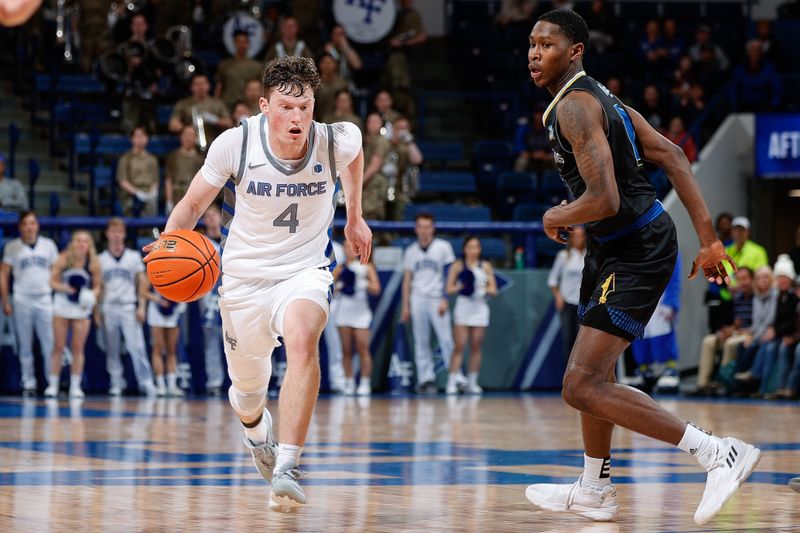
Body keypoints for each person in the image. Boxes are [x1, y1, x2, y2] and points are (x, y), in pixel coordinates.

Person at [523, 10, 760, 526]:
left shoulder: (577, 109)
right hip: (616, 247)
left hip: (635, 247)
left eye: (547, 44)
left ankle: (717, 453)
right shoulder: (602, 98)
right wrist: (710, 241)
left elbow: (605, 199)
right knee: (596, 373)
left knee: (579, 385)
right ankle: (594, 489)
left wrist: (556, 213)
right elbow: (673, 155)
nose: (535, 53)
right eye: (532, 44)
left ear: (576, 51)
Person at [145, 56, 371, 509]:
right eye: (287, 107)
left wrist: (354, 215)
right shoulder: (235, 143)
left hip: (304, 269)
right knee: (248, 395)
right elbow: (191, 206)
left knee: (304, 340)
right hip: (243, 280)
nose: (297, 118)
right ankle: (256, 432)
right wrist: (169, 244)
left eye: (305, 107)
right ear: (265, 105)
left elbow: (356, 155)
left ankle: (288, 463)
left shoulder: (336, 140)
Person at [0, 211, 58, 395]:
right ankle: (28, 383)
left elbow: (56, 272)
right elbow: (3, 274)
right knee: (24, 344)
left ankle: (52, 382)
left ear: (37, 225)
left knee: (49, 342)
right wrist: (5, 300)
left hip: (44, 298)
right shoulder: (12, 247)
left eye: (32, 223)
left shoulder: (48, 245)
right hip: (21, 298)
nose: (29, 227)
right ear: (20, 227)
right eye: (25, 223)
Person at [98, 217, 156, 397]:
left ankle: (146, 382)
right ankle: (116, 381)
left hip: (128, 306)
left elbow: (142, 283)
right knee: (112, 347)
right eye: (113, 232)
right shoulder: (100, 259)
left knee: (136, 346)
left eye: (119, 232)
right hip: (108, 307)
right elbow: (98, 287)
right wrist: (97, 310)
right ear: (107, 234)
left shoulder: (132, 256)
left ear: (123, 234)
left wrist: (142, 306)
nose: (116, 235)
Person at [401, 213, 456, 394]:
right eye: (420, 226)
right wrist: (406, 306)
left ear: (433, 228)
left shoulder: (443, 247)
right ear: (416, 229)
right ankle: (426, 379)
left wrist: (445, 298)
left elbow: (450, 273)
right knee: (421, 340)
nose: (424, 230)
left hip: (436, 298)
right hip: (418, 298)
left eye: (427, 226)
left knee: (446, 339)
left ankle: (455, 378)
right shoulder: (410, 251)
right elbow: (407, 280)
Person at [44, 231, 101, 399]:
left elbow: (98, 287)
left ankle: (75, 386)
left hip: (81, 308)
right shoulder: (63, 258)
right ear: (73, 243)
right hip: (62, 305)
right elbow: (52, 282)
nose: (81, 244)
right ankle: (53, 385)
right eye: (78, 241)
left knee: (78, 348)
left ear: (89, 245)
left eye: (85, 241)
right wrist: (66, 289)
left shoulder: (93, 263)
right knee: (58, 346)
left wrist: (90, 296)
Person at [689, 267, 755, 397]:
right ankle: (703, 384)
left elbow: (757, 325)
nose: (743, 283)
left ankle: (722, 383)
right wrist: (724, 331)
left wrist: (735, 331)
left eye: (745, 279)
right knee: (709, 341)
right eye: (739, 279)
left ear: (752, 280)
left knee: (730, 343)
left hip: (748, 335)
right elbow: (725, 321)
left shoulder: (757, 298)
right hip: (734, 334)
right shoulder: (734, 299)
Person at [445, 236, 497, 395]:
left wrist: (482, 289)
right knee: (459, 345)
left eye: (476, 247)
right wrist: (462, 286)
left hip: (479, 309)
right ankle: (452, 381)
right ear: (464, 249)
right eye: (470, 247)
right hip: (463, 307)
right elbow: (448, 289)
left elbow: (493, 290)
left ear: (479, 249)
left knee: (476, 345)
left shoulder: (485, 266)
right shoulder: (457, 266)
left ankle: (472, 382)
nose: (473, 250)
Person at [334, 239, 381, 396]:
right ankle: (349, 381)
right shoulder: (340, 268)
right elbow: (330, 288)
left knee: (363, 348)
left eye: (352, 247)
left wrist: (364, 283)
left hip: (361, 313)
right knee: (346, 350)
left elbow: (376, 289)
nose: (349, 250)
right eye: (346, 247)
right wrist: (339, 285)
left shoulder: (367, 267)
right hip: (344, 312)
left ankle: (365, 382)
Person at [630, 255, 682, 392]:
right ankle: (644, 370)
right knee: (640, 334)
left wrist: (670, 301)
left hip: (661, 298)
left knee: (664, 332)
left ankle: (670, 369)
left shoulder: (668, 246)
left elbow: (674, 276)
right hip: (639, 298)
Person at [548, 226, 586, 362]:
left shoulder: (588, 255)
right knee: (567, 337)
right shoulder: (563, 256)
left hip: (584, 303)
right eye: (575, 236)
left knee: (582, 340)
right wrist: (558, 296)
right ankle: (568, 375)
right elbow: (552, 280)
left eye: (581, 236)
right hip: (567, 301)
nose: (578, 239)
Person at [142, 279, 186, 397]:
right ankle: (160, 385)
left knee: (172, 348)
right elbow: (144, 291)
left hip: (174, 308)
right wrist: (159, 299)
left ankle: (171, 385)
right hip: (157, 309)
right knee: (158, 348)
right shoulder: (153, 269)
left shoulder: (180, 271)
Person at [169, 74, 233, 148]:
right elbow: (173, 125)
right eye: (197, 84)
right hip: (192, 145)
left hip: (214, 144)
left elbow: (229, 123)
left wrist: (215, 120)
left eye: (203, 84)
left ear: (208, 85)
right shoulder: (183, 104)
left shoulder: (218, 104)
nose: (200, 87)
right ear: (191, 87)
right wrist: (188, 128)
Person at [200, 205, 224, 396]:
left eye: (213, 215)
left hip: (233, 292)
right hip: (209, 295)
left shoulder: (233, 237)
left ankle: (246, 384)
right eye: (207, 216)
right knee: (212, 340)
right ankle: (214, 381)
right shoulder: (200, 243)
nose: (210, 219)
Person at [116, 125, 159, 217]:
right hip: (130, 195)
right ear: (131, 139)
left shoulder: (152, 159)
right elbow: (122, 181)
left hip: (148, 194)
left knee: (152, 208)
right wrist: (137, 193)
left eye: (142, 136)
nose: (140, 139)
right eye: (137, 136)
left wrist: (151, 193)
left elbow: (155, 181)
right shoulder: (125, 158)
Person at [386, 116, 423, 221]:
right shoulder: (386, 143)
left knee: (397, 214)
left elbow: (417, 160)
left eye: (405, 128)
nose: (402, 131)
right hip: (385, 185)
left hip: (401, 188)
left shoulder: (408, 145)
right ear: (393, 129)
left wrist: (409, 142)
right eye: (399, 128)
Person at [729, 39, 782, 113]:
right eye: (752, 50)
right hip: (744, 108)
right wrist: (735, 107)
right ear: (747, 52)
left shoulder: (770, 68)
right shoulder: (739, 70)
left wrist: (772, 106)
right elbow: (733, 91)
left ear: (762, 53)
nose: (755, 53)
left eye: (758, 50)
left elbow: (777, 91)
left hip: (765, 107)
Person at [215, 30, 263, 111]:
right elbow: (219, 87)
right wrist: (216, 102)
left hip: (250, 106)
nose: (242, 45)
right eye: (239, 42)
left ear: (248, 44)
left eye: (244, 42)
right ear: (234, 43)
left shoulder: (257, 66)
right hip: (228, 105)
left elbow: (262, 88)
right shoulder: (224, 65)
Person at [165, 125, 205, 213]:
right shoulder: (173, 156)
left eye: (191, 135)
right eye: (186, 135)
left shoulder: (200, 159)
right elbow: (169, 180)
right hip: (177, 196)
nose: (189, 138)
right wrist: (169, 200)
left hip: (194, 196)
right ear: (181, 137)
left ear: (195, 137)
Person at [362, 113, 390, 220]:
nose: (372, 125)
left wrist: (359, 183)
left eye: (376, 122)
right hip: (367, 182)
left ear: (382, 124)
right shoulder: (367, 141)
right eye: (370, 122)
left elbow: (375, 166)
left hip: (374, 182)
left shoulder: (381, 141)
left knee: (370, 213)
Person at [323, 25, 362, 89]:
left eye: (341, 34)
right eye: (337, 34)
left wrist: (345, 47)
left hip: (348, 84)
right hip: (332, 84)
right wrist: (331, 52)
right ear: (332, 36)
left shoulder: (348, 49)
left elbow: (357, 66)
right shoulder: (328, 50)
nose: (340, 37)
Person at [314, 53, 348, 123]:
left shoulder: (342, 83)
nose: (327, 65)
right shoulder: (314, 84)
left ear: (335, 64)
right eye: (324, 62)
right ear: (319, 65)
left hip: (338, 118)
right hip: (318, 119)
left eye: (330, 62)